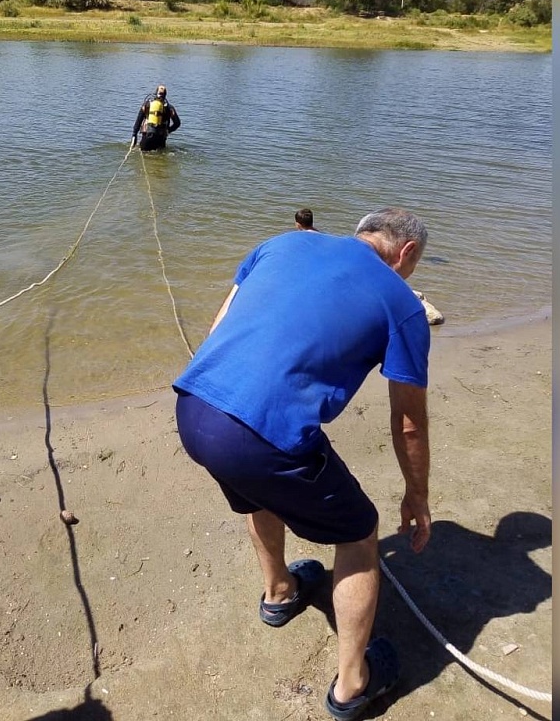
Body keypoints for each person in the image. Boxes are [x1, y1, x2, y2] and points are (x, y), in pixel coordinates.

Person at [173, 207, 432, 721]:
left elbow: (220, 327)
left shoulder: (282, 243)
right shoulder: (402, 304)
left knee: (257, 490)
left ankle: (280, 592)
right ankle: (353, 685)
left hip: (194, 408)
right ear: (404, 254)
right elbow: (407, 421)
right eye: (412, 265)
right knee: (359, 533)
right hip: (257, 436)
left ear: (362, 233)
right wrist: (417, 495)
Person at [130, 84, 181, 152]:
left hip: (147, 137)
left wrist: (134, 135)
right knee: (160, 156)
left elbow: (138, 121)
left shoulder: (147, 105)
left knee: (145, 155)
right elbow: (177, 123)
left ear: (155, 93)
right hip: (161, 138)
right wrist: (168, 130)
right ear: (165, 95)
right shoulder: (169, 108)